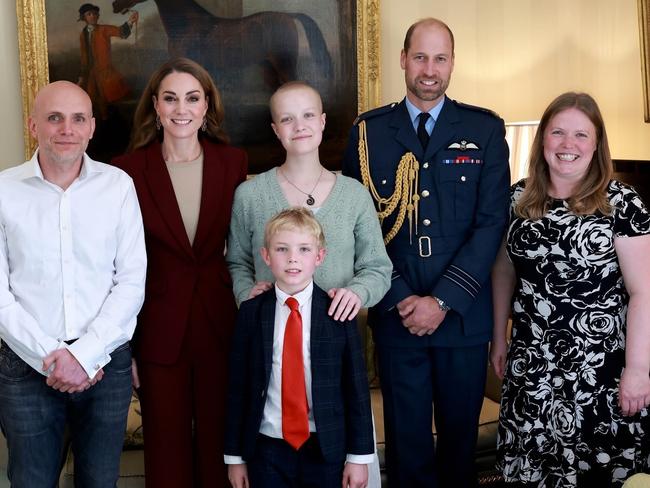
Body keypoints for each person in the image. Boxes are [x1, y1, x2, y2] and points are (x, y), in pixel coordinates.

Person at [342, 17, 511, 487]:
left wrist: (441, 301)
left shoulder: (484, 129)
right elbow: (358, 226)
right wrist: (399, 297)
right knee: (407, 448)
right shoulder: (367, 134)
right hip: (397, 320)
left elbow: (490, 225)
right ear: (403, 60)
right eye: (420, 56)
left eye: (440, 58)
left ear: (453, 62)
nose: (429, 68)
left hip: (462, 320)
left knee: (460, 452)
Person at [226, 81, 391, 486]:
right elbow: (238, 262)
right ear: (275, 129)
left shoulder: (353, 195)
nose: (298, 126)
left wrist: (357, 293)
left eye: (306, 116)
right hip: (273, 339)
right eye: (287, 118)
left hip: (335, 345)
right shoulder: (249, 195)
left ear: (321, 122)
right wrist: (247, 293)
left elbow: (377, 266)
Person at [491, 92, 650, 487]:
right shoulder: (517, 197)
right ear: (543, 137)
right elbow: (503, 271)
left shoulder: (623, 204)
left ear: (597, 144)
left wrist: (638, 370)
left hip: (602, 372)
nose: (567, 144)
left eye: (581, 134)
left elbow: (645, 292)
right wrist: (498, 339)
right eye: (558, 132)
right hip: (532, 366)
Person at [0, 80, 146, 487]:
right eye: (54, 118)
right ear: (33, 126)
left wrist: (85, 355)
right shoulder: (3, 190)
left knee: (100, 482)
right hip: (26, 368)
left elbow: (132, 281)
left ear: (92, 127)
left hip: (105, 365)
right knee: (30, 481)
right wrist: (54, 357)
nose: (67, 128)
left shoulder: (118, 186)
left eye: (77, 118)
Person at [113, 57, 247, 488]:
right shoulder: (127, 171)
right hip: (155, 329)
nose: (181, 108)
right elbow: (117, 264)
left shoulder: (234, 162)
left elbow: (243, 248)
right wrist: (126, 347)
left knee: (218, 449)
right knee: (165, 453)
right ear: (155, 106)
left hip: (219, 323)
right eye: (170, 98)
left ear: (207, 106)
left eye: (192, 98)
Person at [224, 207, 374, 488]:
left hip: (325, 447)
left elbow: (356, 390)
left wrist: (359, 456)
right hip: (265, 447)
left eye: (304, 249)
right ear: (266, 256)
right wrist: (234, 458)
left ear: (319, 256)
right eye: (282, 249)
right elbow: (237, 389)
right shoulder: (251, 313)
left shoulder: (338, 313)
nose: (293, 258)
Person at [78, 3, 138, 119]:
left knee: (113, 97)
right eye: (89, 14)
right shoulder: (83, 34)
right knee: (93, 100)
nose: (93, 16)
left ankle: (111, 122)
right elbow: (84, 56)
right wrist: (82, 76)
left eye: (95, 14)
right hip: (91, 74)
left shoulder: (104, 29)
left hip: (106, 72)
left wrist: (130, 21)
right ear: (84, 18)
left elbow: (121, 32)